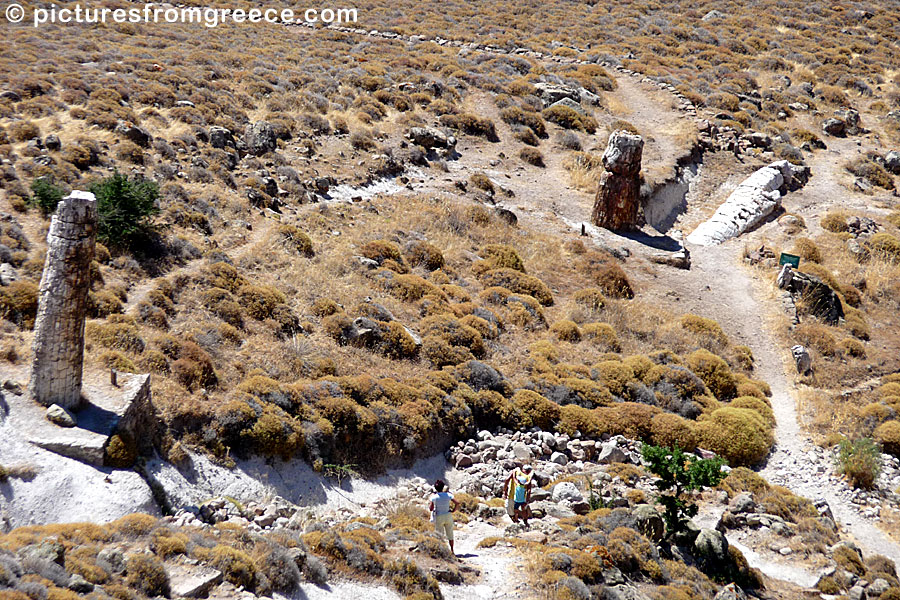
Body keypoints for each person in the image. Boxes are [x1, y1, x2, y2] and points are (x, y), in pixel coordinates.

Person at [429, 479, 460, 555]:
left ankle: (441, 550)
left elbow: (431, 508)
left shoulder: (434, 497)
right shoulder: (448, 495)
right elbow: (457, 503)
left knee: (439, 534)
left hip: (439, 516)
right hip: (448, 515)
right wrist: (453, 510)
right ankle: (452, 550)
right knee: (450, 534)